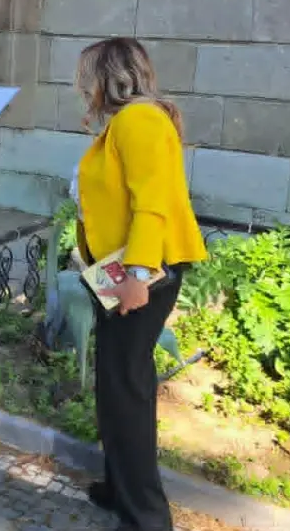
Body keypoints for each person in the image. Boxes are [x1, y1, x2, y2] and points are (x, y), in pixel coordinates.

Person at [72, 37, 207, 531]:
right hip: (125, 270)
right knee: (118, 384)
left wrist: (135, 277)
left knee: (125, 388)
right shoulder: (128, 124)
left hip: (142, 273)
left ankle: (147, 518)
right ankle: (120, 487)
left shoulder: (140, 121)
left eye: (87, 75)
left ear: (108, 75)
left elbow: (152, 205)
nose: (81, 86)